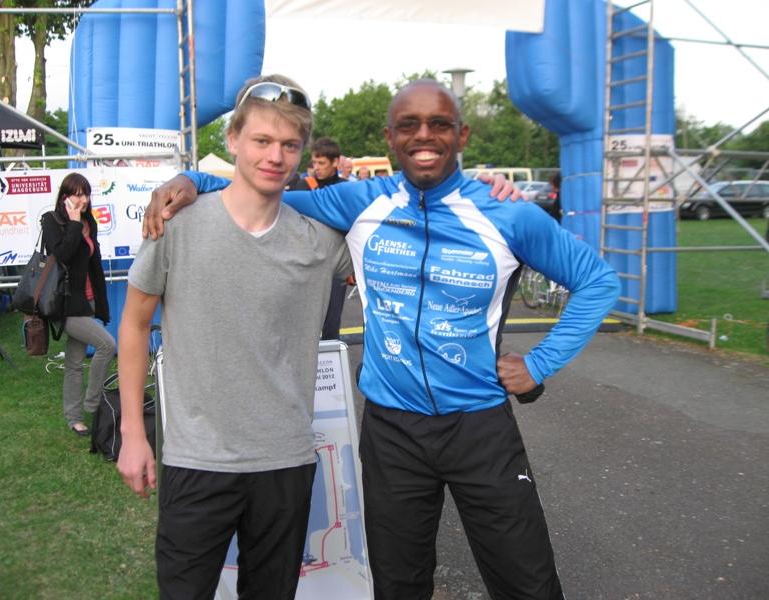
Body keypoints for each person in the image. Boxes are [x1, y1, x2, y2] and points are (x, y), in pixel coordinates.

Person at [146, 78, 620, 600]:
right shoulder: (358, 201)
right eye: (408, 125)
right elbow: (263, 187)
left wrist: (539, 364)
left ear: (461, 135)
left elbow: (597, 281)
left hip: (479, 426)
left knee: (527, 583)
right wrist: (191, 179)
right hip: (392, 431)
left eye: (439, 124)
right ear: (390, 137)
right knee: (397, 586)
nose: (424, 136)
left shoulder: (506, 211)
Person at [116, 75, 353, 600]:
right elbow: (133, 325)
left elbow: (398, 244)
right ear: (233, 140)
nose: (275, 156)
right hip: (196, 460)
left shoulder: (321, 243)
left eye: (289, 145)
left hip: (285, 461)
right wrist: (133, 433)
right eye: (262, 140)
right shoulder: (177, 225)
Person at [41, 173, 115, 436]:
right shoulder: (51, 220)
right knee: (107, 345)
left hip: (87, 301)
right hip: (65, 304)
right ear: (66, 197)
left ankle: (73, 417)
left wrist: (101, 304)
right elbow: (63, 255)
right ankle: (93, 405)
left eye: (86, 194)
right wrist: (73, 223)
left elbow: (94, 265)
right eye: (78, 194)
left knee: (74, 361)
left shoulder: (88, 221)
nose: (83, 200)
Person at [290, 136, 351, 340]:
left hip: (336, 267)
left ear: (335, 162)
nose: (316, 167)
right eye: (314, 162)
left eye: (321, 163)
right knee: (302, 325)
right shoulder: (303, 185)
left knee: (332, 325)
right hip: (306, 263)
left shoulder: (346, 189)